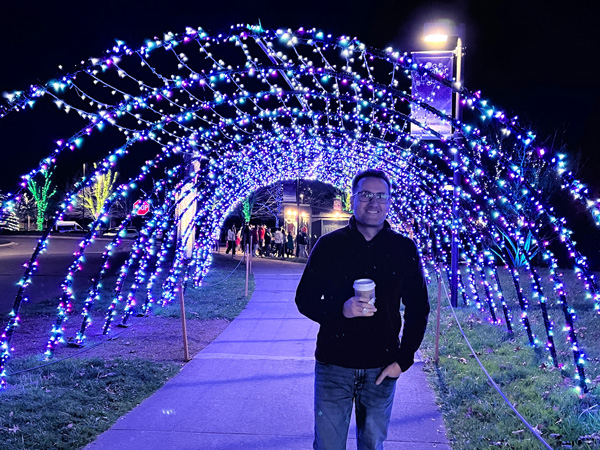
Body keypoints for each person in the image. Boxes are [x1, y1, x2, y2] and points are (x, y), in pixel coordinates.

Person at [295, 168, 430, 450]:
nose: (373, 202)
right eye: (366, 195)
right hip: (334, 365)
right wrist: (340, 310)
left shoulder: (403, 248)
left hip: (381, 367)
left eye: (381, 196)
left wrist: (403, 360)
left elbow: (419, 307)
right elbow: (304, 299)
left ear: (389, 202)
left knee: (372, 446)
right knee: (328, 446)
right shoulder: (329, 245)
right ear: (352, 200)